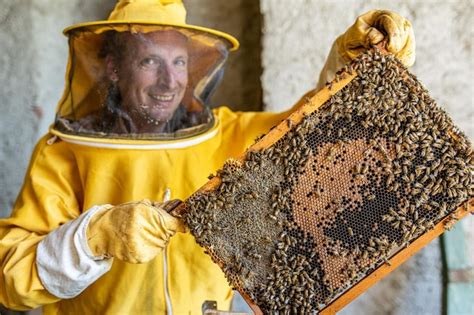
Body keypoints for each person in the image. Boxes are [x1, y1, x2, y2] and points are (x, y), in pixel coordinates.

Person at [0, 0, 415, 314]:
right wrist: (95, 237)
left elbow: (308, 133)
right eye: (149, 61)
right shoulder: (66, 154)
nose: (169, 81)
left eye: (179, 62)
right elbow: (10, 278)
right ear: (112, 67)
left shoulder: (227, 135)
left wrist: (351, 65)